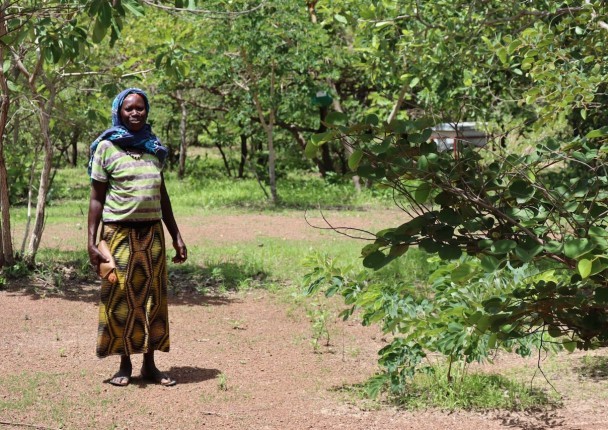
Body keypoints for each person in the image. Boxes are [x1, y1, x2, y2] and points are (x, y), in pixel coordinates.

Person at [87, 88, 187, 387]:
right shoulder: (106, 148)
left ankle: (150, 365)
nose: (135, 113)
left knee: (154, 300)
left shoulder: (154, 147)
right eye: (129, 108)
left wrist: (176, 235)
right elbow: (96, 199)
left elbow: (162, 195)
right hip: (118, 233)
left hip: (152, 234)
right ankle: (124, 363)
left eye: (140, 108)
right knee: (120, 299)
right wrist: (91, 242)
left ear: (147, 111)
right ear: (119, 111)